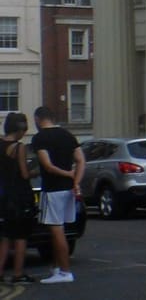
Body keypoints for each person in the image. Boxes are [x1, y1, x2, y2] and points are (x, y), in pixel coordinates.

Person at [31, 107, 83, 286]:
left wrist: (68, 175)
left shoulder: (39, 138)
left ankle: (65, 271)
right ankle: (55, 268)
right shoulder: (67, 135)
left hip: (52, 189)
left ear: (38, 119)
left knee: (56, 230)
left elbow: (48, 166)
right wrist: (76, 181)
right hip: (68, 190)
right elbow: (81, 160)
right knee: (59, 231)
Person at [0, 113, 35, 285]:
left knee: (6, 236)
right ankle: (18, 273)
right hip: (18, 196)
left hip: (4, 196)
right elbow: (24, 173)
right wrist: (36, 170)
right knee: (21, 236)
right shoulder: (19, 147)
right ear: (20, 129)